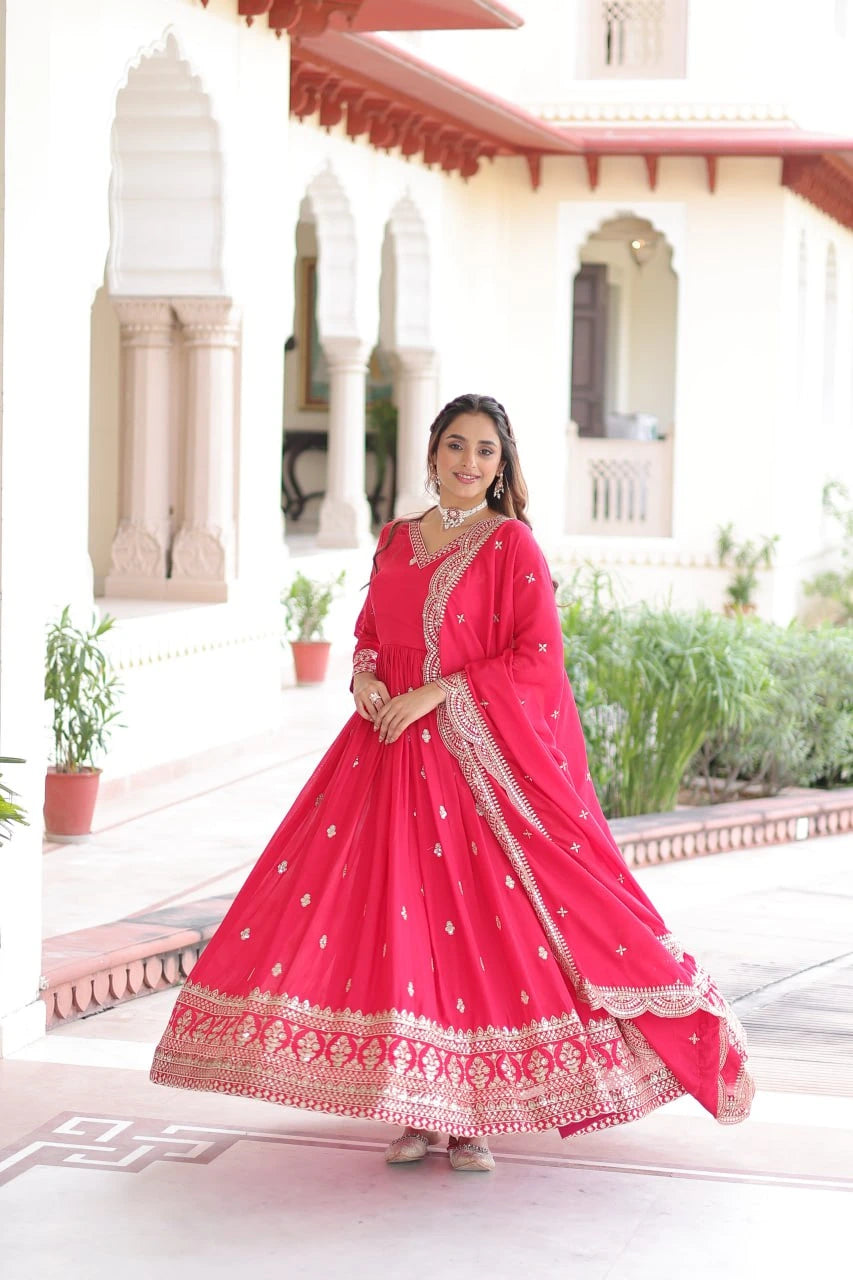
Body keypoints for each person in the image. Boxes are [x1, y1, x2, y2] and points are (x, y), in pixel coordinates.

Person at [150, 393, 753, 1173]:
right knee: (394, 927)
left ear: (501, 468)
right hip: (383, 758)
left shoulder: (510, 547)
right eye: (457, 446)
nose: (469, 463)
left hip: (473, 770)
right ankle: (413, 1105)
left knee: (470, 931)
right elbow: (371, 634)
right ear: (431, 451)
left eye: (486, 453)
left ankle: (472, 1119)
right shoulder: (397, 538)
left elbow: (537, 658)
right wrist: (366, 682)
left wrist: (438, 692)